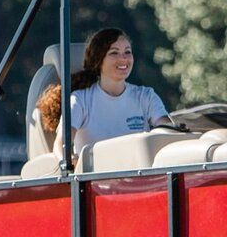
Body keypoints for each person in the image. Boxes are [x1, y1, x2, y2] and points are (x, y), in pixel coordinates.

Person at [40, 28, 170, 165]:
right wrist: (68, 162)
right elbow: (60, 145)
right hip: (98, 177)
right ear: (98, 60)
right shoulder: (80, 100)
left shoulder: (146, 96)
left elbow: (168, 131)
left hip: (140, 176)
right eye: (114, 53)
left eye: (127, 52)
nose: (123, 58)